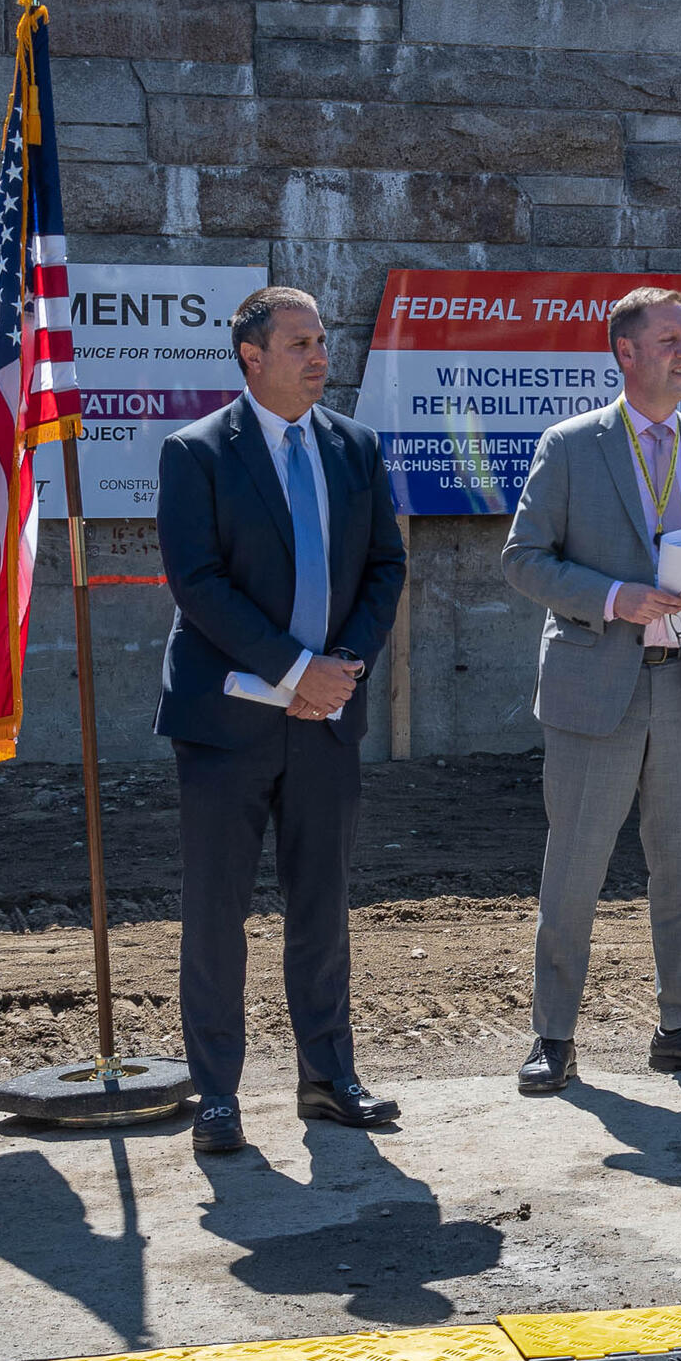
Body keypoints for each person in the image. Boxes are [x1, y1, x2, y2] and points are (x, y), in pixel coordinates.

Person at [155, 286, 408, 1153]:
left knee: (322, 903)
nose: (318, 356)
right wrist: (296, 669)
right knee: (216, 910)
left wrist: (341, 673)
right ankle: (217, 1095)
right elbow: (199, 584)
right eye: (299, 342)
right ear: (250, 357)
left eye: (322, 340)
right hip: (228, 723)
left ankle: (328, 1077)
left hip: (327, 721)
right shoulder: (196, 453)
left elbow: (385, 565)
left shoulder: (356, 447)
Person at [500, 287, 681, 1095]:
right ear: (627, 353)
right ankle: (554, 1036)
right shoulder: (572, 446)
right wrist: (615, 597)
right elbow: (524, 558)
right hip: (597, 689)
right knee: (573, 867)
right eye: (672, 340)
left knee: (680, 869)